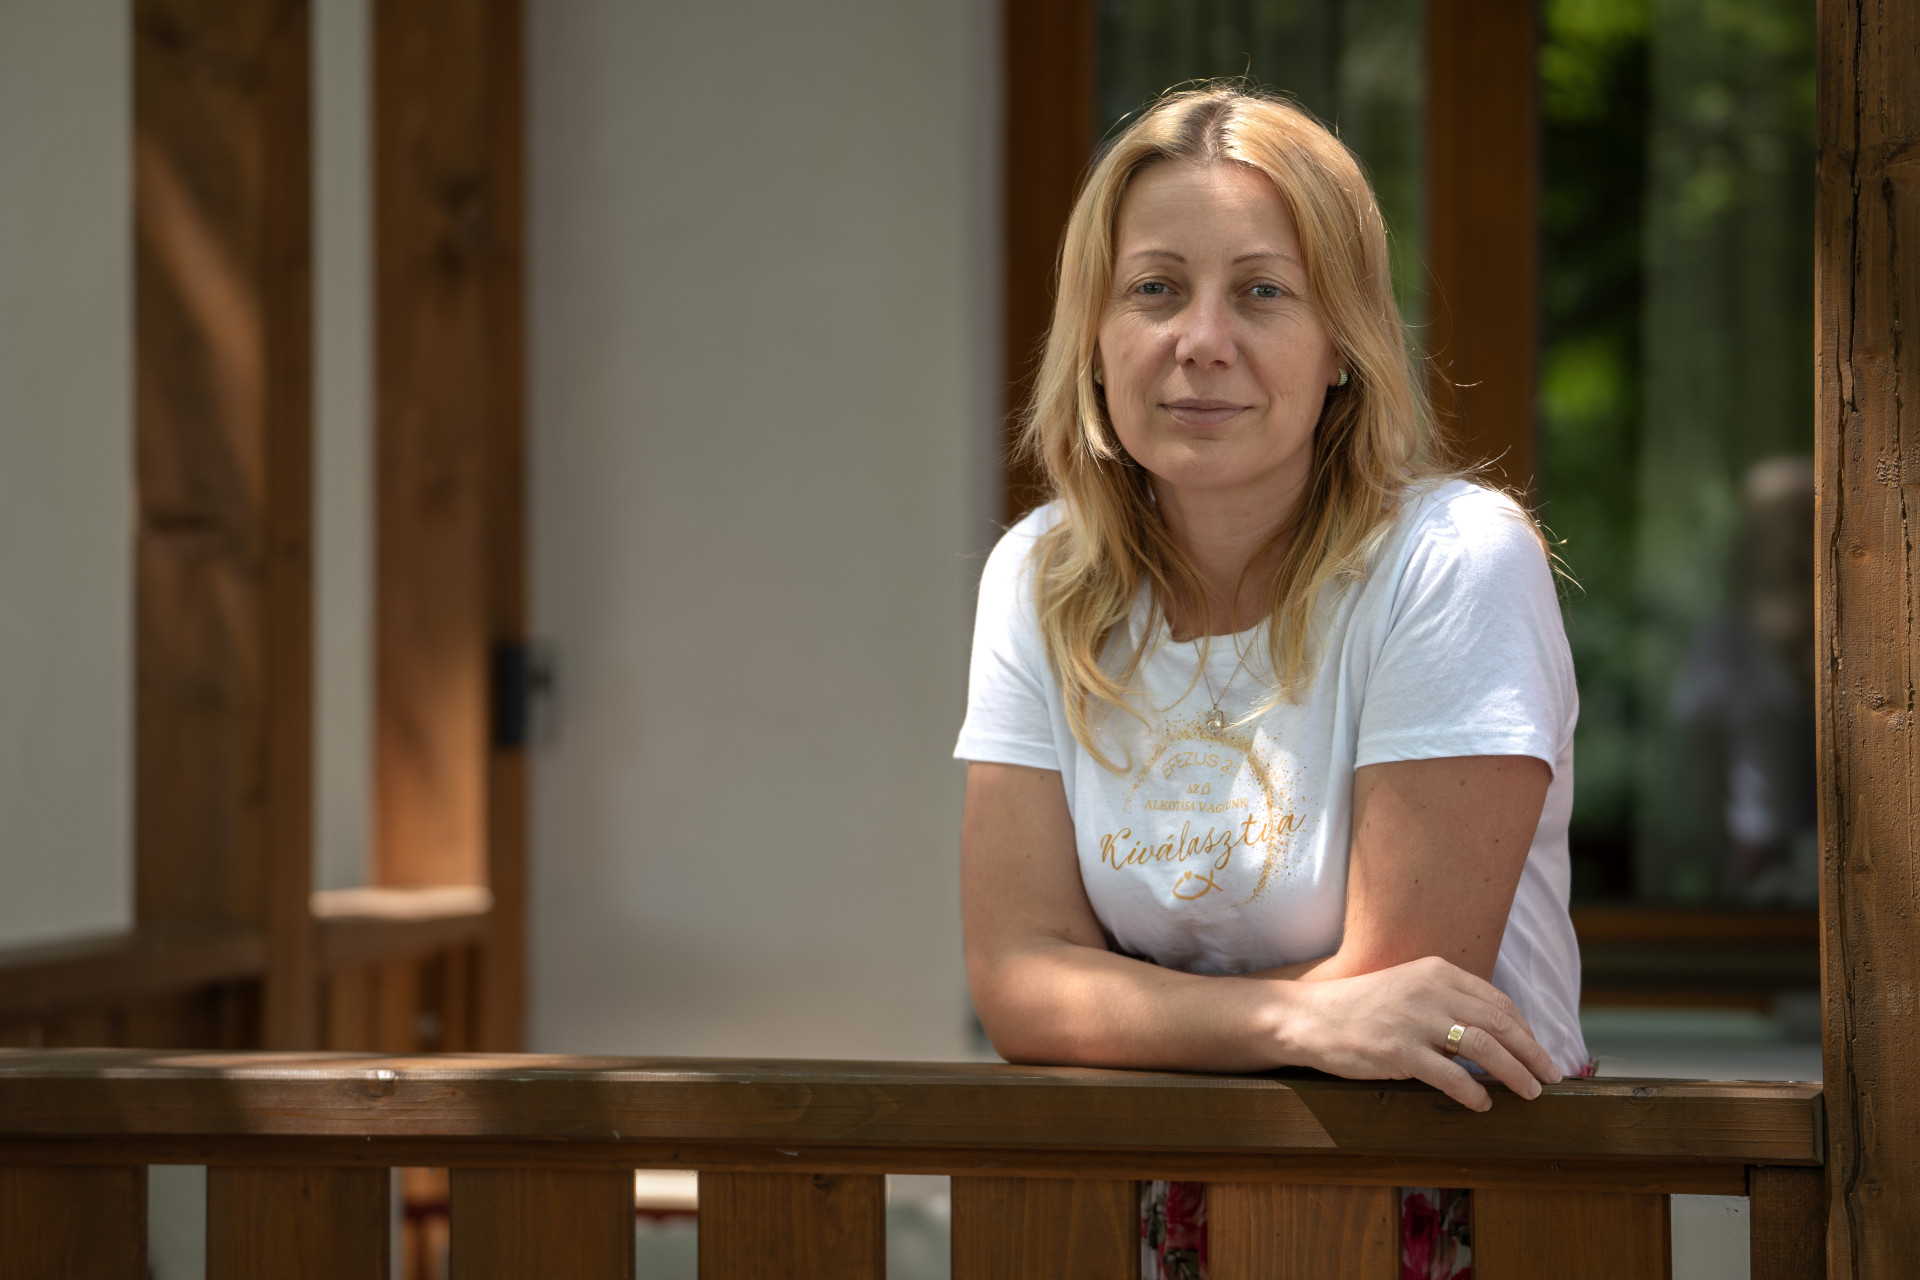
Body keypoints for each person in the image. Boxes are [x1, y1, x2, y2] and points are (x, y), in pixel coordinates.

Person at [954, 83, 1583, 1277]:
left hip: (1443, 1197)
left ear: (1342, 340)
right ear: (1095, 336)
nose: (1201, 338)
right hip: (1153, 1208)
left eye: (1261, 291)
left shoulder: (1452, 558)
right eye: (1154, 288)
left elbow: (1410, 1002)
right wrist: (1299, 1012)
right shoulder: (1041, 576)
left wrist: (1127, 1007)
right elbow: (1020, 982)